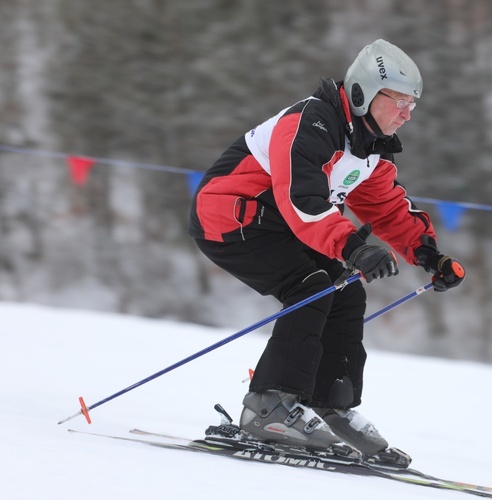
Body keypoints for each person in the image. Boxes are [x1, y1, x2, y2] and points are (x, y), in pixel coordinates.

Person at [188, 39, 465, 462]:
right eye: (401, 102)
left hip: (276, 224)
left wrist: (429, 255)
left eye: (414, 104)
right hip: (230, 215)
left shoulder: (369, 147)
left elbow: (387, 207)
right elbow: (302, 200)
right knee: (313, 285)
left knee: (346, 290)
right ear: (364, 93)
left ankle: (327, 404)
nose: (408, 113)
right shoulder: (311, 122)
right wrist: (353, 248)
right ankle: (268, 407)